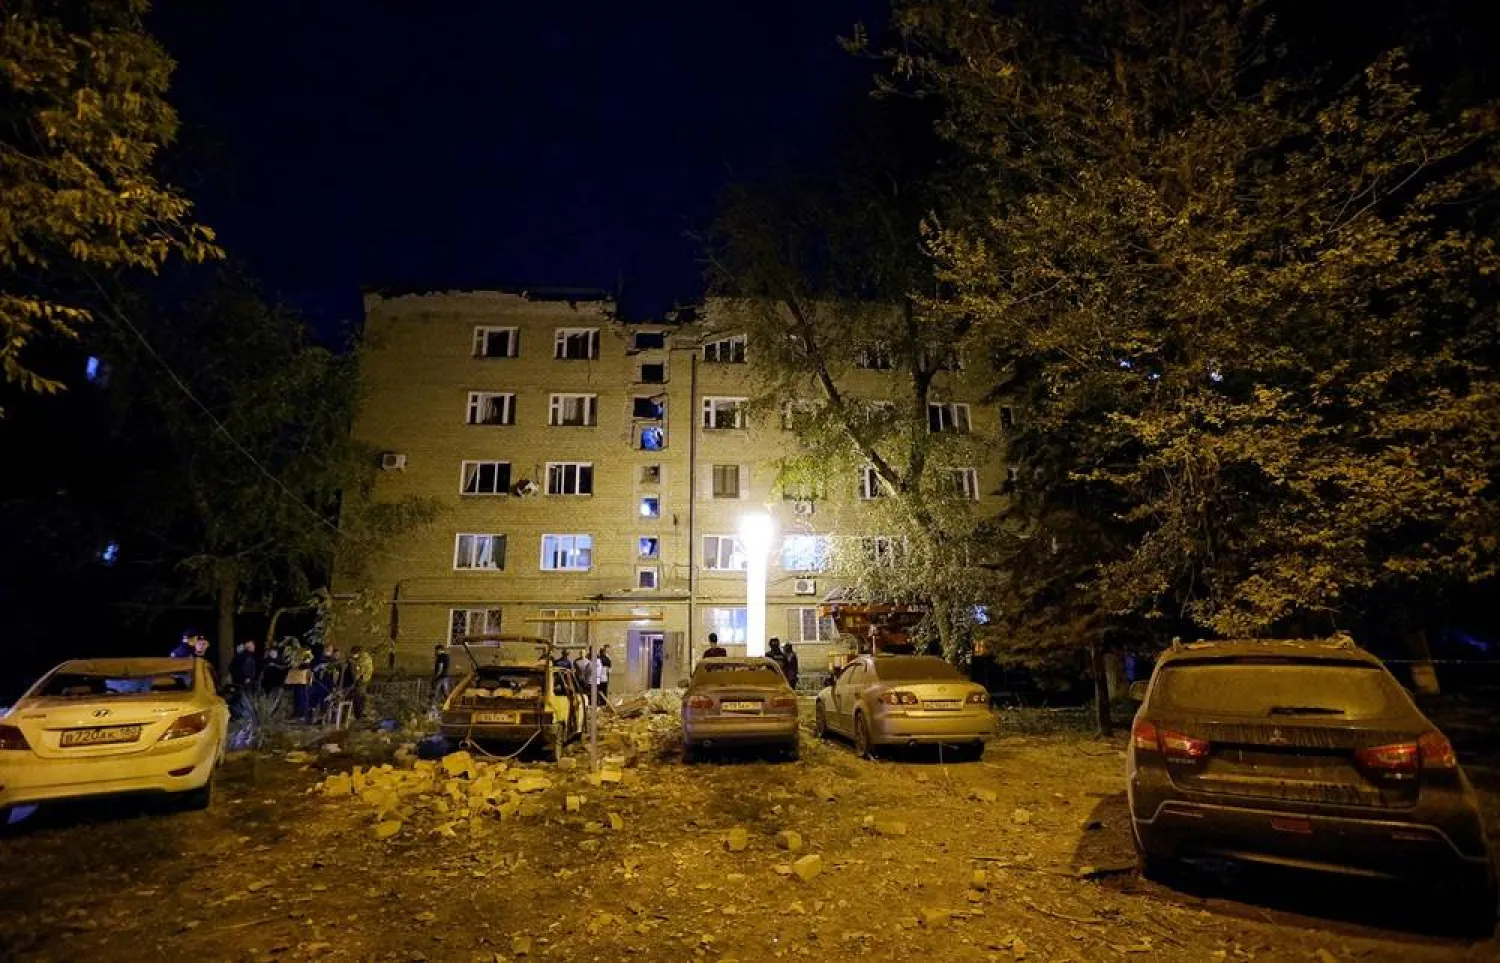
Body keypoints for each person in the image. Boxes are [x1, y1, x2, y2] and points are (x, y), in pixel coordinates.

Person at [350, 645, 375, 721]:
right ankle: (357, 714)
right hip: (360, 680)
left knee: (360, 696)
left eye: (353, 653)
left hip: (363, 680)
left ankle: (360, 715)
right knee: (356, 697)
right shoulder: (359, 658)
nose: (353, 655)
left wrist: (353, 662)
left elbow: (359, 670)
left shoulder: (364, 659)